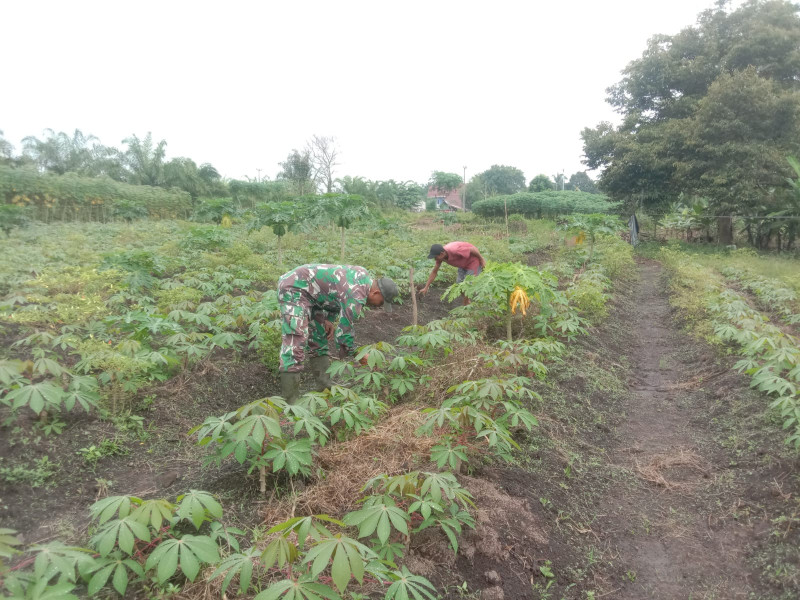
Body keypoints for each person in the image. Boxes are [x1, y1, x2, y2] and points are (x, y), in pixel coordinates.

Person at [277, 264, 399, 403]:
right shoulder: (357, 294)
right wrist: (358, 355)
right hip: (295, 288)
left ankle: (324, 386)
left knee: (318, 337)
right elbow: (344, 333)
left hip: (313, 295)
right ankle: (290, 402)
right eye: (381, 302)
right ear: (375, 293)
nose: (379, 306)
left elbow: (335, 292)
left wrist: (329, 319)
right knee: (295, 342)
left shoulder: (363, 277)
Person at [419, 242, 486, 305]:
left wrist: (481, 259)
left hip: (473, 262)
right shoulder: (440, 258)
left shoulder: (454, 250)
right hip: (462, 264)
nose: (435, 259)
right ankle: (467, 302)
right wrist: (426, 287)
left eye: (435, 257)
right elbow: (434, 272)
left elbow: (472, 249)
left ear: (442, 254)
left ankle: (467, 306)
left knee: (468, 286)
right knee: (459, 286)